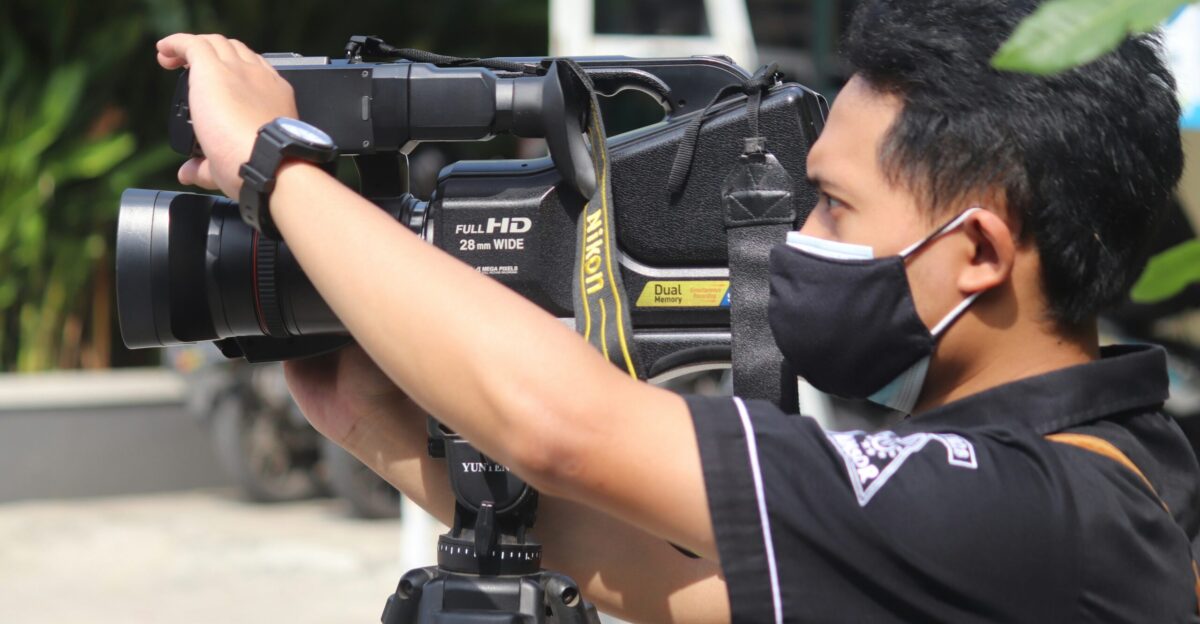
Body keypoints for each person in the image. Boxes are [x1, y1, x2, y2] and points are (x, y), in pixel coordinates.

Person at [155, 0, 1199, 620]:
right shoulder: (1103, 471)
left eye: (834, 205)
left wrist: (276, 166)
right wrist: (370, 425)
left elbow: (564, 428)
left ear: (975, 254)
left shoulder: (1024, 508)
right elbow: (674, 588)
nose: (798, 235)